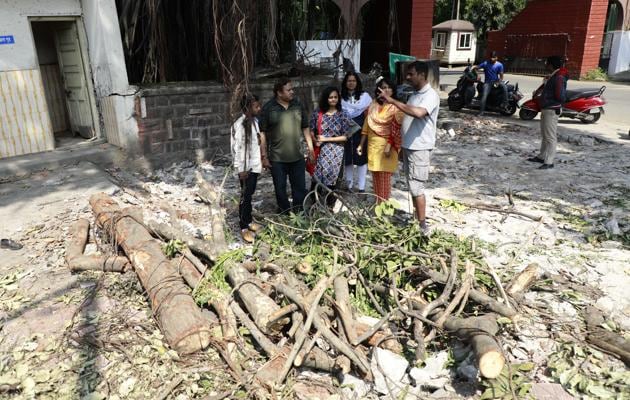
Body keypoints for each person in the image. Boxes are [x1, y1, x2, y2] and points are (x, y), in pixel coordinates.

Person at [377, 61, 439, 234]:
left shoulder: (430, 95)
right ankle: (415, 218)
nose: (408, 77)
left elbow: (418, 113)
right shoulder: (415, 94)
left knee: (416, 186)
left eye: (411, 74)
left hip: (420, 149)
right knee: (411, 183)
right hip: (409, 147)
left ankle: (422, 225)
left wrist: (392, 101)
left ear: (422, 74)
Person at [259, 78, 315, 212]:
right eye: (288, 90)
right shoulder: (268, 108)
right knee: (280, 189)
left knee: (299, 188)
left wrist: (310, 149)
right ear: (279, 92)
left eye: (292, 89)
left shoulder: (297, 105)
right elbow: (262, 133)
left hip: (297, 156)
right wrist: (264, 156)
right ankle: (284, 213)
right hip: (277, 159)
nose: (292, 92)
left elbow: (305, 127)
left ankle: (298, 214)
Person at [356, 77, 404, 203]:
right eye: (383, 87)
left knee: (384, 177)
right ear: (378, 90)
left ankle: (384, 204)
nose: (386, 90)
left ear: (393, 90)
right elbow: (366, 127)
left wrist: (389, 145)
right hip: (372, 147)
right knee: (375, 176)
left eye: (389, 87)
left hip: (388, 148)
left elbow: (397, 130)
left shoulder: (396, 108)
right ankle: (379, 202)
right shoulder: (373, 105)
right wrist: (361, 144)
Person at [310, 86, 351, 206]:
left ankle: (330, 205)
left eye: (335, 97)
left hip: (337, 152)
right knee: (317, 178)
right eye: (330, 97)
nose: (333, 100)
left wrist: (326, 139)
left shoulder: (343, 114)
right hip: (321, 150)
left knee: (333, 180)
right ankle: (314, 204)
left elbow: (346, 136)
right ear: (325, 98)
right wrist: (314, 140)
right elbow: (311, 130)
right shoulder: (318, 113)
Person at [231, 94, 263, 243]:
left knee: (250, 194)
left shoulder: (255, 121)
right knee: (245, 196)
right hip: (245, 168)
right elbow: (238, 148)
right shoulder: (240, 125)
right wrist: (240, 168)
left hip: (254, 165)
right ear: (248, 107)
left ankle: (249, 220)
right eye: (256, 106)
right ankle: (243, 226)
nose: (259, 108)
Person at [527, 56, 568, 170]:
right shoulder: (554, 76)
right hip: (547, 108)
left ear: (551, 65)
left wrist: (548, 99)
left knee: (550, 136)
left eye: (546, 64)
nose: (545, 66)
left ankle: (549, 161)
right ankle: (542, 156)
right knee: (545, 135)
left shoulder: (558, 77)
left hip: (551, 108)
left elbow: (560, 95)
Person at [341, 72, 372, 193]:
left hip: (361, 130)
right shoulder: (341, 97)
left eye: (354, 81)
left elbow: (370, 112)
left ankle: (361, 187)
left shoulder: (365, 97)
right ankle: (349, 186)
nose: (351, 83)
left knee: (361, 157)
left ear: (357, 82)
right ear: (345, 83)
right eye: (349, 81)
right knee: (348, 158)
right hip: (346, 130)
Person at [474, 51, 508, 116]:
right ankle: (481, 112)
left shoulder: (499, 65)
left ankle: (505, 104)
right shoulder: (485, 63)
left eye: (494, 57)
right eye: (491, 57)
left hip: (496, 81)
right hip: (487, 83)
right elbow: (475, 68)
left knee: (504, 87)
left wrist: (498, 82)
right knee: (484, 96)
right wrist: (478, 75)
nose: (492, 59)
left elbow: (501, 76)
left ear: (496, 58)